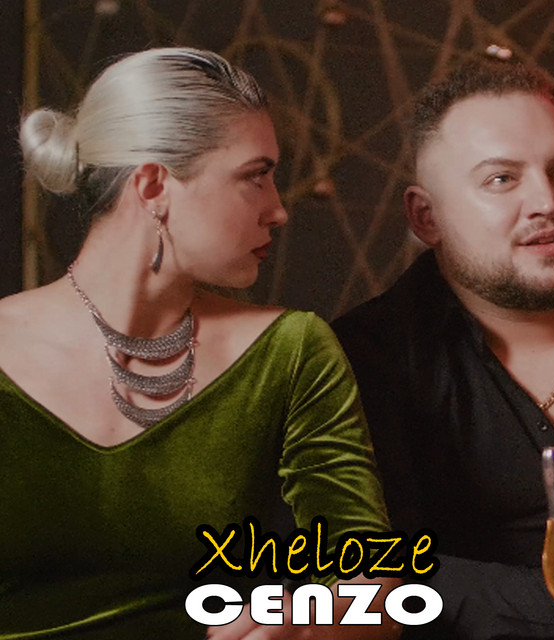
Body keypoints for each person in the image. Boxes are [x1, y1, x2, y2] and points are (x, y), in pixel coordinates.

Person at [0, 47, 401, 640]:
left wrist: (305, 622)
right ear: (154, 185)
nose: (279, 209)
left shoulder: (290, 349)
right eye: (255, 176)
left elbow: (377, 586)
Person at [332, 59, 554, 639]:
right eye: (502, 179)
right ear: (426, 217)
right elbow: (381, 576)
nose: (548, 200)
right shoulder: (363, 360)